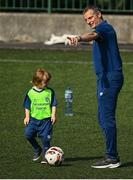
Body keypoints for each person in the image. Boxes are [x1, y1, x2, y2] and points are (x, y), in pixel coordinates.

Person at [67, 5, 124, 168]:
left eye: (90, 18)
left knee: (107, 118)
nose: (88, 21)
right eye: (86, 20)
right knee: (102, 118)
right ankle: (112, 154)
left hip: (110, 78)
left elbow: (92, 35)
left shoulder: (104, 28)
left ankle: (112, 157)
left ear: (99, 14)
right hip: (104, 78)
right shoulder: (102, 29)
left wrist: (78, 37)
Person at [23, 68, 57, 164]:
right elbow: (27, 105)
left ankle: (47, 156)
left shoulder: (50, 92)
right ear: (37, 82)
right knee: (28, 134)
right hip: (33, 120)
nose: (46, 84)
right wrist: (27, 116)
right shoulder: (30, 92)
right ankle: (37, 149)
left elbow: (54, 104)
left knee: (46, 138)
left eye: (47, 82)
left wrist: (53, 115)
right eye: (44, 82)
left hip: (46, 121)